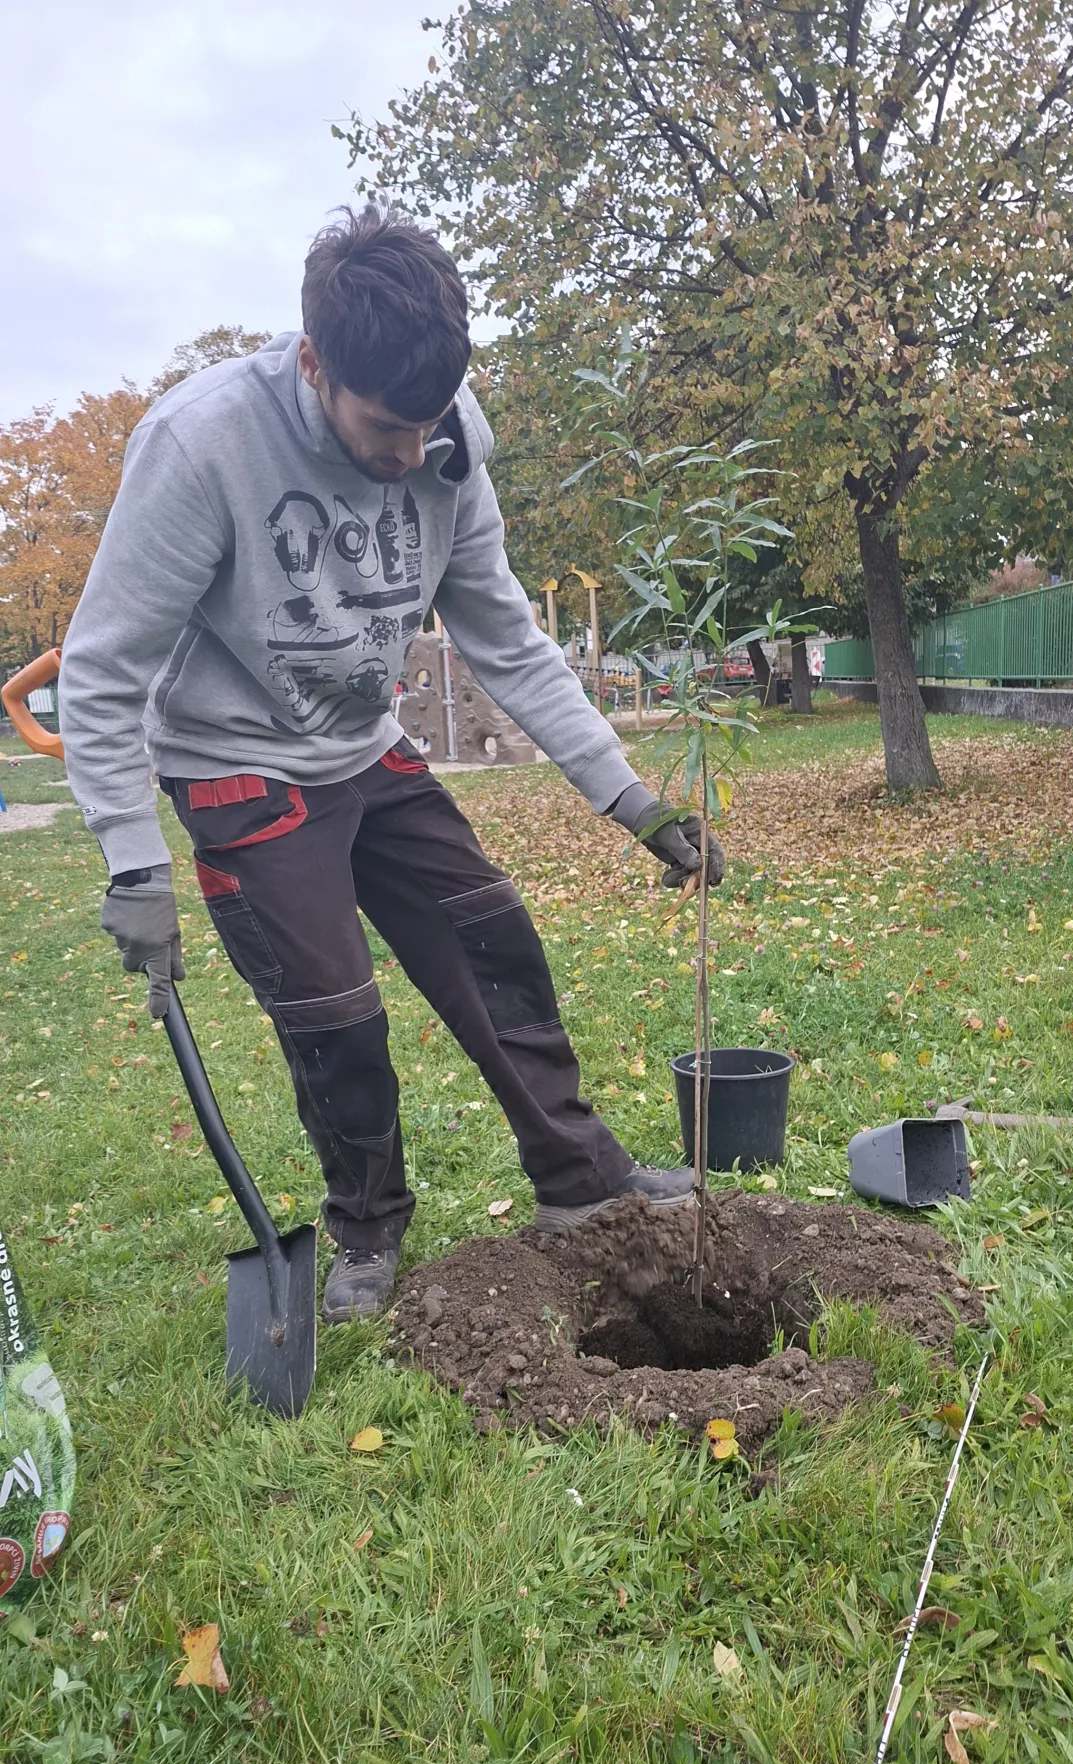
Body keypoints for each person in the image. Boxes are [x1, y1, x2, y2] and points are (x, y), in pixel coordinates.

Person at [59, 207, 723, 1324]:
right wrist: (132, 859)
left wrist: (630, 798)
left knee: (490, 937)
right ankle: (366, 1228)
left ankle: (578, 1178)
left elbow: (506, 637)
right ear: (314, 364)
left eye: (428, 423)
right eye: (386, 426)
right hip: (237, 762)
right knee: (337, 1014)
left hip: (364, 743)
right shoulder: (202, 444)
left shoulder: (446, 438)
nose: (413, 454)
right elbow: (103, 666)